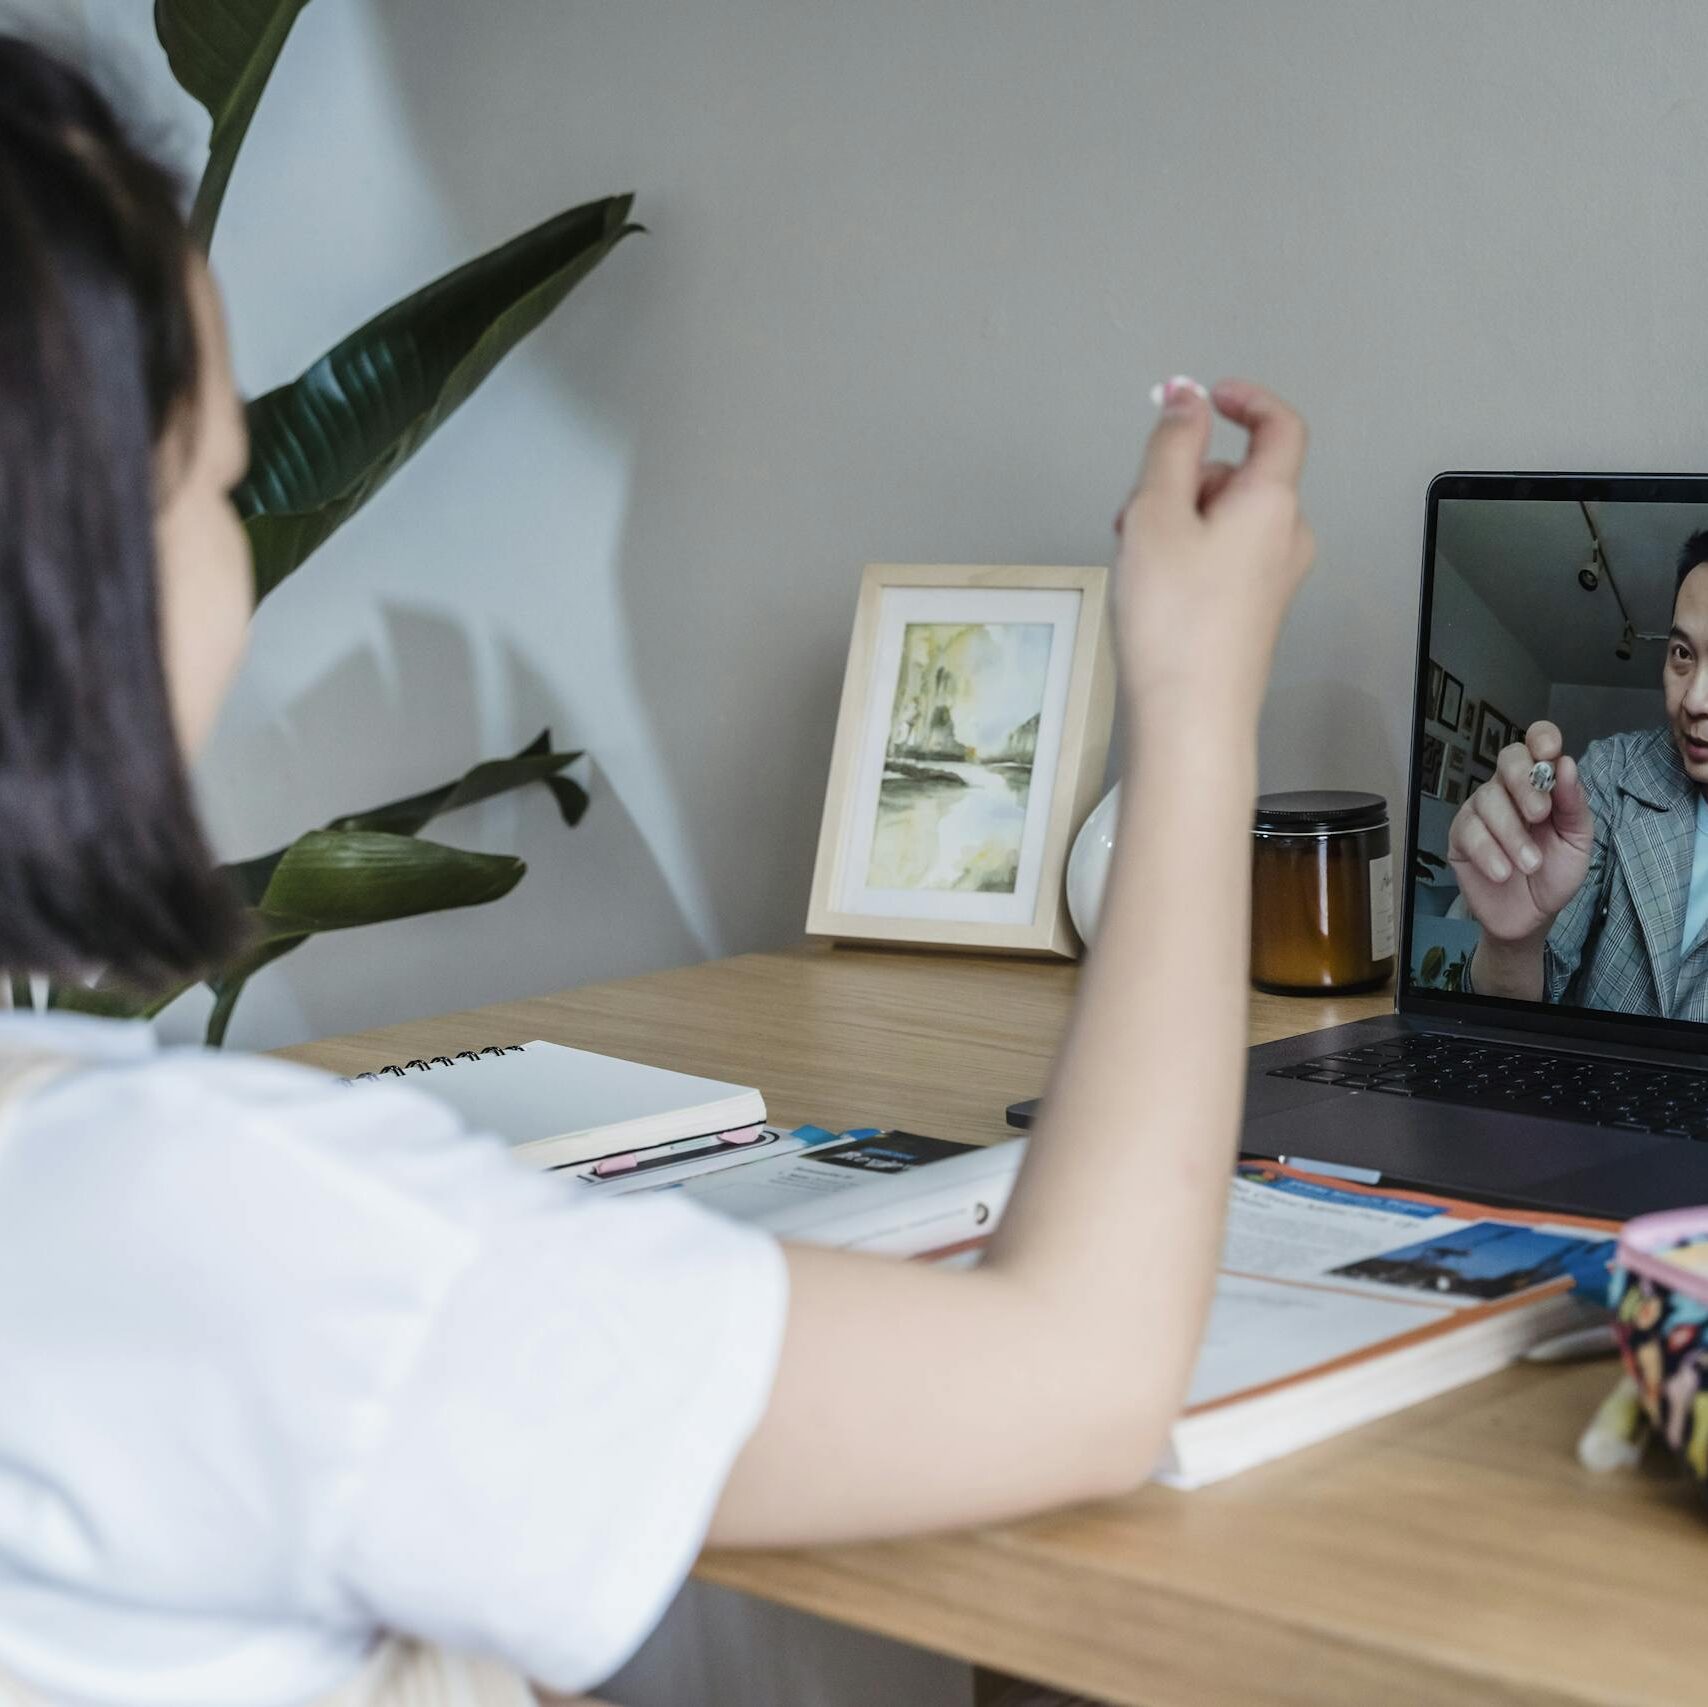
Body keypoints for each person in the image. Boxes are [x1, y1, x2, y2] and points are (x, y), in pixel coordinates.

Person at [0, 35, 1314, 1707]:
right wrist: (1197, 695)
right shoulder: (214, 1231)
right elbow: (1078, 1374)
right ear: (72, 573)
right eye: (216, 483)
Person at [1451, 531, 1708, 1019]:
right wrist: (1512, 942)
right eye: (1682, 654)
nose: (1695, 700)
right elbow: (1520, 1011)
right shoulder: (1614, 773)